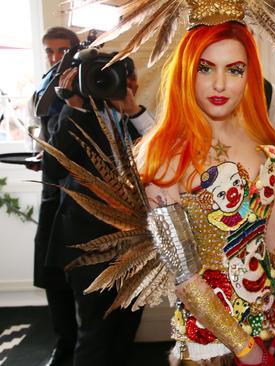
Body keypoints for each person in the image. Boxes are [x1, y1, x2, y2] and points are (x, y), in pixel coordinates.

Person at [137, 22, 275, 365]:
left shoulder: (262, 142)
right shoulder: (167, 156)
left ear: (250, 74)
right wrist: (246, 350)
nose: (220, 84)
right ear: (186, 72)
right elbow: (184, 275)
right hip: (210, 345)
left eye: (235, 70)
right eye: (206, 68)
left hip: (271, 324)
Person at [42, 55, 152, 366]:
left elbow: (163, 155)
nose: (118, 84)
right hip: (89, 245)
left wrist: (132, 111)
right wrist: (74, 106)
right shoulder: (75, 115)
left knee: (126, 326)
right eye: (100, 77)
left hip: (135, 244)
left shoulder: (133, 118)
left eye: (123, 76)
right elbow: (52, 167)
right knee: (95, 332)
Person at [31, 26, 80, 366]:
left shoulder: (85, 86)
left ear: (74, 51)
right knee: (51, 275)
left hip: (79, 196)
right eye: (49, 50)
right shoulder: (45, 84)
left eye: (61, 50)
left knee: (81, 277)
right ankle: (64, 344)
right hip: (52, 192)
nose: (54, 57)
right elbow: (47, 130)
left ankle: (86, 348)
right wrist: (40, 153)